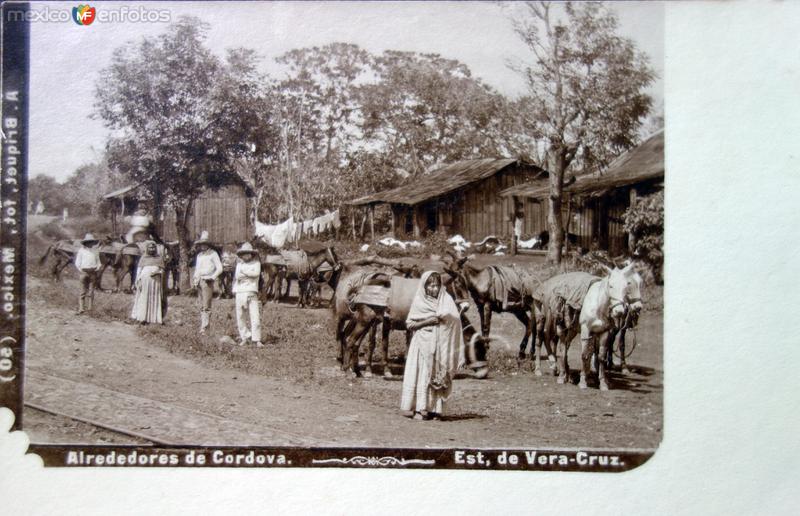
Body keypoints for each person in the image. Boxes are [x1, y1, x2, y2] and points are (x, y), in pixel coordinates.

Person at [400, 271, 466, 421]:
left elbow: (455, 320)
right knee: (422, 375)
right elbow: (410, 324)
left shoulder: (446, 299)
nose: (433, 289)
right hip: (422, 345)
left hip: (441, 346)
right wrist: (428, 321)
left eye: (436, 285)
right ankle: (419, 409)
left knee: (438, 375)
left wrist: (446, 319)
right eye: (430, 285)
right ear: (424, 286)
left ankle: (435, 410)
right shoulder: (419, 301)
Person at [192, 230, 223, 334]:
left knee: (206, 304)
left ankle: (206, 327)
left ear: (208, 244)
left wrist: (212, 277)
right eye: (201, 244)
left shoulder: (213, 254)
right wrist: (195, 279)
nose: (203, 246)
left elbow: (219, 268)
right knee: (200, 304)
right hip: (200, 280)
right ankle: (203, 325)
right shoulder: (199, 255)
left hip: (208, 280)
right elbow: (197, 269)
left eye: (204, 244)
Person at [232, 242, 263, 347]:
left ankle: (256, 339)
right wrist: (248, 273)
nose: (246, 256)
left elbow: (256, 274)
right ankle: (244, 336)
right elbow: (238, 276)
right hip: (240, 291)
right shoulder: (239, 264)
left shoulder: (256, 263)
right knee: (240, 316)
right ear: (241, 255)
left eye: (248, 254)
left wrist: (245, 273)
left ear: (252, 254)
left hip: (251, 291)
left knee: (255, 315)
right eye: (244, 254)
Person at [130, 241, 166, 324]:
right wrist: (137, 281)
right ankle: (142, 318)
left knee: (154, 299)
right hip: (145, 282)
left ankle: (153, 319)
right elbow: (139, 271)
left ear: (155, 248)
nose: (152, 249)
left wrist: (158, 272)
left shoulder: (159, 258)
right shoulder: (143, 258)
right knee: (143, 298)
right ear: (147, 248)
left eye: (153, 247)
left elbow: (162, 270)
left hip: (155, 283)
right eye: (150, 247)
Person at [74, 233, 102, 314]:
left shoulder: (96, 251)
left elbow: (99, 262)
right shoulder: (81, 251)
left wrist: (97, 268)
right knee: (82, 291)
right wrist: (81, 270)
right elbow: (77, 263)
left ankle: (90, 308)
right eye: (88, 242)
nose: (90, 244)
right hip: (84, 272)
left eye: (91, 242)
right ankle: (81, 308)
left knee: (91, 291)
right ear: (85, 243)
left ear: (93, 243)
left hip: (93, 273)